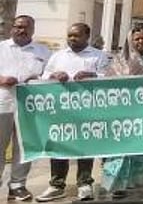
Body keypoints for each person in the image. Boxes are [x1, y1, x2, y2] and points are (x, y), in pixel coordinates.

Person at [36, 23, 107, 202]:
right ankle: (56, 185)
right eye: (70, 36)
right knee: (59, 144)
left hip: (88, 110)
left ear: (87, 36)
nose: (72, 39)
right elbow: (44, 76)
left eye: (76, 36)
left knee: (84, 146)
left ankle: (84, 184)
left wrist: (93, 76)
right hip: (61, 111)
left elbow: (109, 77)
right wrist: (53, 76)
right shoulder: (58, 56)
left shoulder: (99, 56)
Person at [101, 27, 143, 198]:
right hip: (124, 113)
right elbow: (110, 84)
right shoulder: (120, 60)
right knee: (121, 149)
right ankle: (118, 185)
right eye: (136, 39)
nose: (139, 42)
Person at [0, 15, 49, 202]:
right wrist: (2, 79)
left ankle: (17, 186)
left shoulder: (42, 51)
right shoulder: (2, 47)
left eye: (26, 27)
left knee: (24, 147)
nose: (22, 30)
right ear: (12, 28)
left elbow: (50, 73)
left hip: (30, 107)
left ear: (33, 30)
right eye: (18, 26)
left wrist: (39, 80)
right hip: (3, 103)